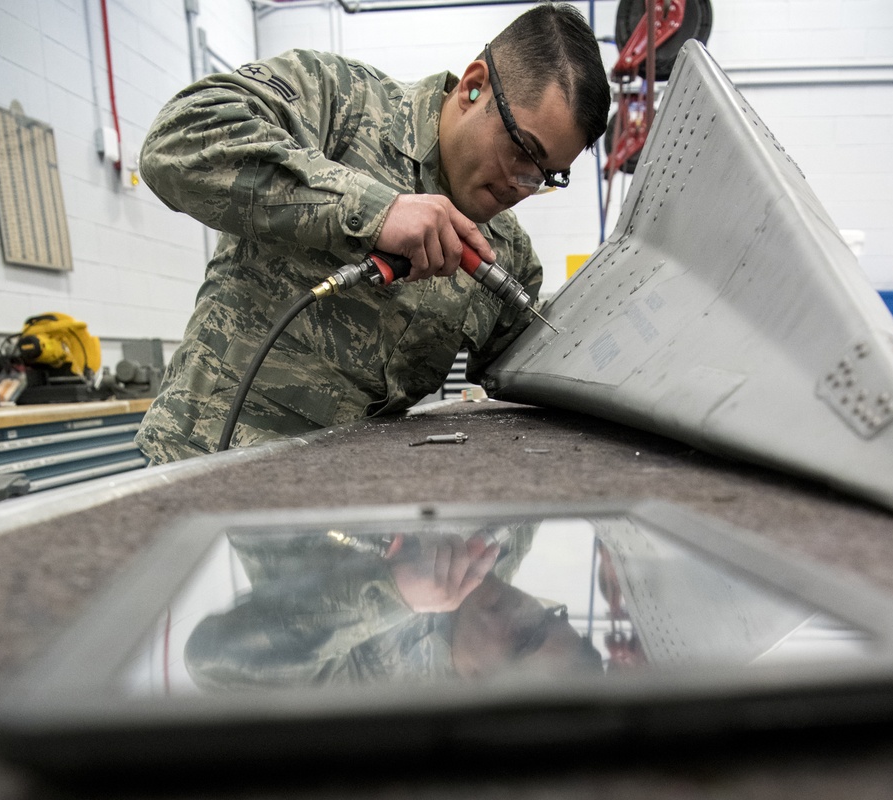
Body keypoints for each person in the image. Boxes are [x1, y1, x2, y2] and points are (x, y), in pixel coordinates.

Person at [134, 2, 610, 464]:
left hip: (351, 508)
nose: (523, 184)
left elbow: (538, 380)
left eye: (548, 175)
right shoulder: (339, 102)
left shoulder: (505, 256)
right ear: (474, 86)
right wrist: (373, 210)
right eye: (524, 150)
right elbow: (176, 142)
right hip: (210, 467)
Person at [183, 524, 602, 690]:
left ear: (478, 684)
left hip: (247, 419)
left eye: (524, 640)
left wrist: (390, 592)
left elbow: (215, 663)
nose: (525, 611)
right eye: (548, 618)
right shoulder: (499, 552)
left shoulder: (372, 684)